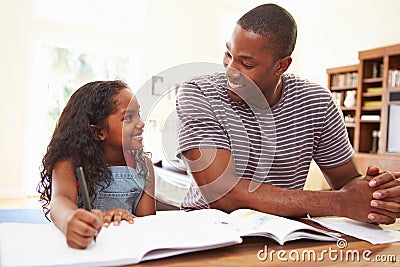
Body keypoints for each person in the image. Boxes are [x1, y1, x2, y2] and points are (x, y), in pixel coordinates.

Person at [176, 4, 400, 224]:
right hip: (206, 234)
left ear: (281, 66)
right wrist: (342, 203)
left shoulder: (317, 102)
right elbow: (222, 193)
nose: (230, 71)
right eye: (228, 54)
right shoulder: (199, 93)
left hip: (286, 235)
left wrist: (377, 196)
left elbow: (347, 180)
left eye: (246, 63)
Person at [37, 80, 156, 249]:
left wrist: (125, 219)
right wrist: (70, 220)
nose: (141, 123)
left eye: (138, 114)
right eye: (128, 117)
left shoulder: (144, 166)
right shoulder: (68, 163)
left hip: (125, 247)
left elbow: (148, 223)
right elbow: (60, 200)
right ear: (99, 132)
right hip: (86, 248)